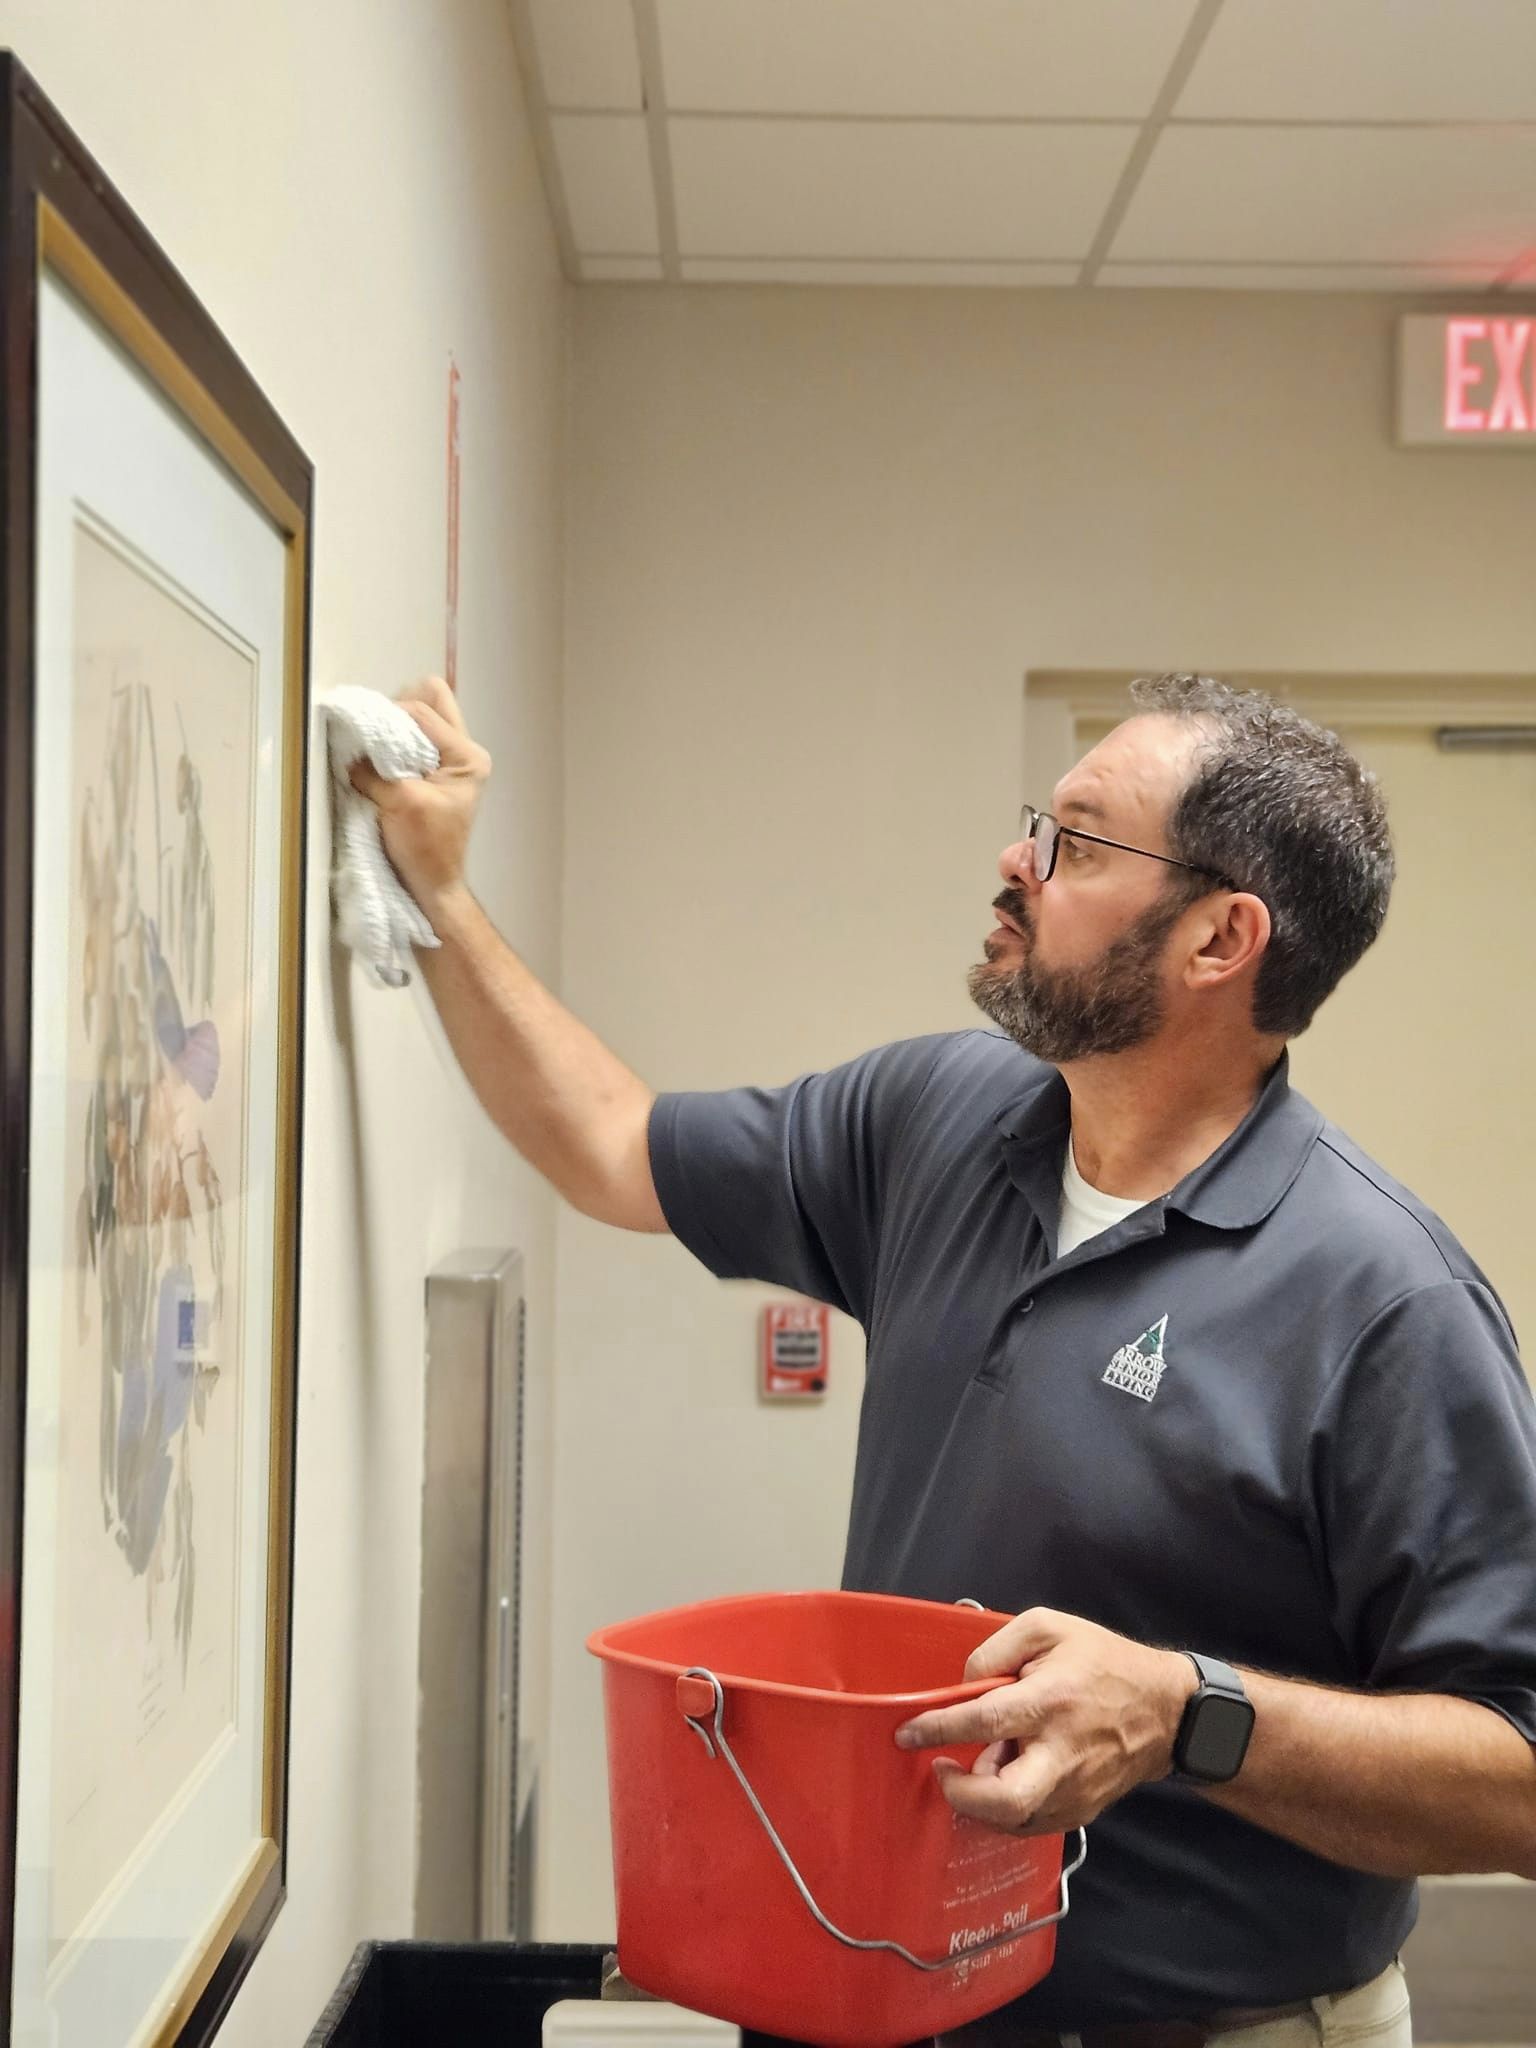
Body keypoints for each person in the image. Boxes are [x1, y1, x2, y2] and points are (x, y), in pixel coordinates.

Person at [354, 671, 1536, 2048]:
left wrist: (1184, 1714)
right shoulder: (939, 1117)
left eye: (1080, 844)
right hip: (895, 2002)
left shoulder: (1384, 1299)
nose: (1016, 860)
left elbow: (1517, 1775)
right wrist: (434, 894)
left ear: (1221, 938)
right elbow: (613, 1148)